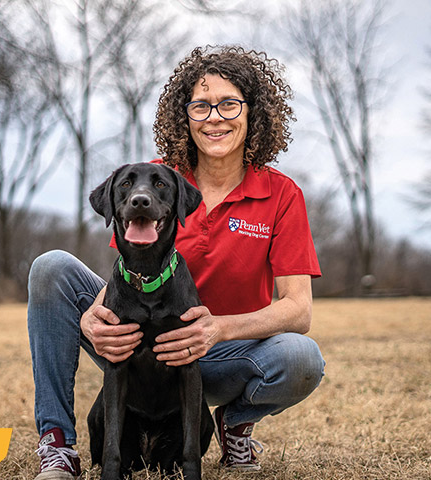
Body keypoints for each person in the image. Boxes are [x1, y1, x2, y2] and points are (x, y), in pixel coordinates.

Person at [27, 45, 325, 480]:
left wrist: (217, 329)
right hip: (134, 344)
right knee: (50, 267)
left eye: (228, 104)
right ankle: (57, 446)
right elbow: (131, 273)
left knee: (302, 357)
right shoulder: (153, 181)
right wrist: (92, 316)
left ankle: (233, 422)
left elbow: (298, 310)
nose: (215, 117)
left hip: (217, 356)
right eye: (200, 106)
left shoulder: (281, 195)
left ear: (252, 112)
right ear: (183, 116)